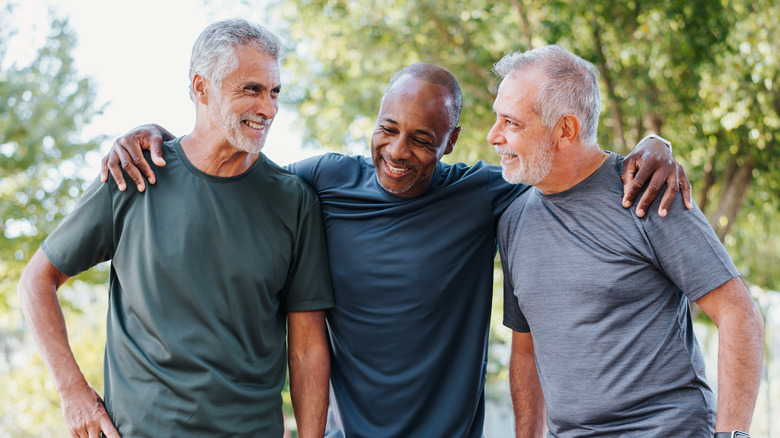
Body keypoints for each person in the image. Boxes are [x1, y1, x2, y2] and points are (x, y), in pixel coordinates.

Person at [101, 62, 690, 437]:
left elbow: (566, 164)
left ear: (453, 141)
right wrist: (155, 135)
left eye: (422, 138)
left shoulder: (484, 194)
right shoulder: (324, 180)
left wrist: (653, 144)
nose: (398, 151)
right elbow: (232, 169)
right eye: (388, 128)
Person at [18, 19, 334, 438]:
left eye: (274, 92)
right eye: (251, 90)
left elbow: (308, 349)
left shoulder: (295, 201)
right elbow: (37, 279)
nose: (269, 109)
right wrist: (73, 391)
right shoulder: (134, 174)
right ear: (201, 88)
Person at [491, 45, 764, 437]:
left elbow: (739, 315)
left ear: (565, 130)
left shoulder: (649, 191)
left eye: (510, 123)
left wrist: (732, 435)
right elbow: (526, 350)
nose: (492, 135)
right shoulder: (514, 220)